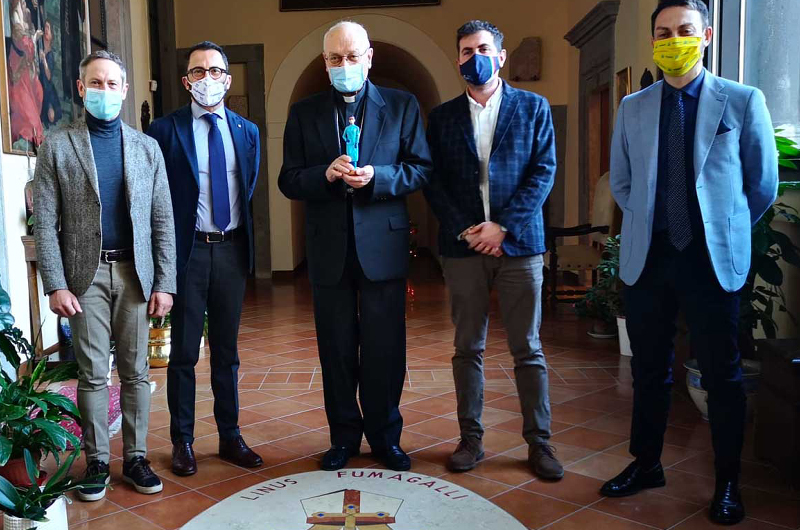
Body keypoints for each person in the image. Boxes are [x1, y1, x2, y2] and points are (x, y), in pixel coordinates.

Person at [602, 1, 778, 524]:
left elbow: (761, 185)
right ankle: (646, 463)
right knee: (649, 369)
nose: (673, 39)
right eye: (663, 32)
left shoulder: (742, 100)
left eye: (684, 30)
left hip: (710, 259)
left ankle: (727, 482)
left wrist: (720, 226)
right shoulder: (633, 106)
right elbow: (622, 182)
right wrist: (650, 221)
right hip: (650, 258)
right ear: (653, 41)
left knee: (721, 374)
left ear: (706, 36)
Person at [278, 21, 432, 472]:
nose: (343, 65)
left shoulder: (402, 105)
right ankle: (343, 437)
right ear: (325, 64)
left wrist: (379, 177)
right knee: (336, 349)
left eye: (351, 56)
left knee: (386, 348)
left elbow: (420, 168)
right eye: (334, 58)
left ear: (369, 58)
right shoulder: (303, 112)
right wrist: (324, 175)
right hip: (329, 249)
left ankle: (386, 437)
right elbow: (289, 179)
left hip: (382, 247)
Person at [34, 50, 176, 501]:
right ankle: (96, 461)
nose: (104, 91)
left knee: (135, 371)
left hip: (136, 274)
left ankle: (135, 457)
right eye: (95, 83)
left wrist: (165, 282)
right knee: (93, 373)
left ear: (125, 90)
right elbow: (45, 222)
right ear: (81, 89)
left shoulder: (147, 148)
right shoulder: (58, 146)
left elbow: (162, 220)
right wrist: (55, 283)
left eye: (112, 84)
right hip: (84, 276)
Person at [424, 20, 561, 480]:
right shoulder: (442, 118)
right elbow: (434, 182)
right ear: (458, 59)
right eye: (467, 51)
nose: (475, 57)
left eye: (483, 49)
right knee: (467, 347)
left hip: (519, 245)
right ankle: (471, 439)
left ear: (501, 56)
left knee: (528, 348)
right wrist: (468, 230)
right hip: (464, 248)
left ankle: (539, 443)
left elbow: (543, 171)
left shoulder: (534, 107)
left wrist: (503, 227)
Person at [147, 41, 263, 477]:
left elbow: (247, 187)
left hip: (231, 250)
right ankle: (183, 441)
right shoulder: (165, 131)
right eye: (198, 71)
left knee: (227, 353)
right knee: (183, 353)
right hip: (189, 253)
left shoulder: (247, 132)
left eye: (215, 71)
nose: (207, 78)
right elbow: (156, 198)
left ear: (227, 80)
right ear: (186, 81)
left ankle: (230, 436)